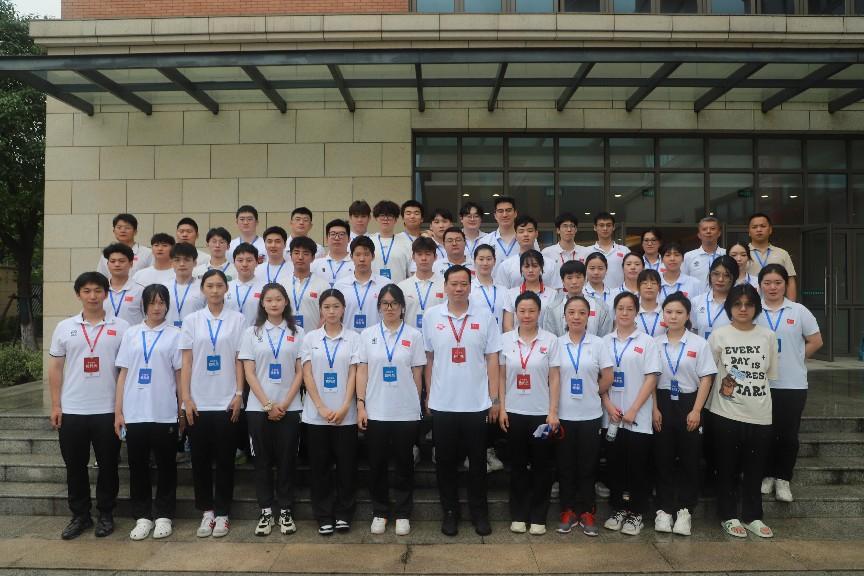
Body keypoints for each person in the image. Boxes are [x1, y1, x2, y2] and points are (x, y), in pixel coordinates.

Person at [49, 272, 129, 540]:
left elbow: (125, 370)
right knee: (75, 466)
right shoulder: (65, 327)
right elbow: (55, 368)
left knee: (108, 465)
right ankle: (80, 515)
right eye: (86, 291)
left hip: (107, 409)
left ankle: (106, 513)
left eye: (97, 290)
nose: (92, 296)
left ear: (106, 294)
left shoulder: (122, 327)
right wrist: (56, 405)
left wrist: (121, 409)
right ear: (78, 294)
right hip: (73, 409)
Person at [423, 265, 502, 537]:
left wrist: (494, 398)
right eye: (453, 284)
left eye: (463, 284)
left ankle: (479, 513)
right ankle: (450, 512)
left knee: (478, 463)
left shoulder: (484, 316)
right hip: (443, 403)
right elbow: (429, 358)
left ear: (470, 286)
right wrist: (429, 394)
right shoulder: (432, 316)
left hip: (476, 403)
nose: (458, 288)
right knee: (445, 463)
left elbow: (492, 358)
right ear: (445, 286)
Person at [179, 269, 246, 538]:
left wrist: (239, 393)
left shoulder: (238, 319)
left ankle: (223, 513)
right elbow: (186, 362)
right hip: (199, 400)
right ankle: (206, 511)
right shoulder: (192, 320)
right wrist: (186, 398)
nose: (215, 290)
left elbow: (240, 359)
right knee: (200, 460)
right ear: (203, 289)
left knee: (226, 459)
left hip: (227, 400)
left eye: (219, 285)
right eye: (210, 285)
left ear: (226, 289)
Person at [708, 284, 778, 539]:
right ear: (730, 307)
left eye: (749, 305)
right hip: (725, 411)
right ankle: (728, 515)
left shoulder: (768, 336)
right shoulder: (719, 335)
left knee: (755, 468)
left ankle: (753, 516)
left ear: (756, 308)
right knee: (726, 467)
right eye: (737, 304)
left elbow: (769, 373)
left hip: (760, 412)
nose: (743, 309)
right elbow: (709, 372)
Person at [114, 283, 182, 540]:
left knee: (166, 466)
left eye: (161, 302)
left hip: (164, 411)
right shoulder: (131, 333)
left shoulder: (176, 334)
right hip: (135, 411)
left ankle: (164, 515)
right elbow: (123, 374)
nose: (157, 307)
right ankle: (142, 517)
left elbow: (179, 376)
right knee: (137, 466)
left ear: (167, 305)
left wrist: (181, 410)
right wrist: (118, 411)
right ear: (144, 305)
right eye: (152, 302)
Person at [356, 285, 426, 536]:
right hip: (376, 410)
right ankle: (380, 511)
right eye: (385, 303)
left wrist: (416, 405)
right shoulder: (368, 335)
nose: (390, 308)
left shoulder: (414, 335)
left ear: (402, 307)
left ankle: (404, 513)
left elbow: (417, 373)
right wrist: (360, 404)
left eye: (394, 303)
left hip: (405, 411)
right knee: (377, 464)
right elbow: (362, 371)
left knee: (404, 464)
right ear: (379, 307)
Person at [238, 283, 305, 536]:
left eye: (278, 299)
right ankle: (266, 511)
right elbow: (249, 372)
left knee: (287, 460)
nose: (274, 303)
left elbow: (301, 371)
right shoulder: (252, 333)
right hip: (258, 409)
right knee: (262, 461)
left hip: (291, 407)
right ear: (262, 304)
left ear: (285, 302)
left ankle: (286, 510)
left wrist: (284, 404)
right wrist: (267, 405)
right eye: (269, 300)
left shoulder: (298, 332)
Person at [652, 292, 717, 536]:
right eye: (669, 312)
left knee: (690, 459)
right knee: (663, 458)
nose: (673, 316)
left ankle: (685, 511)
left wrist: (697, 410)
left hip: (690, 403)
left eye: (679, 312)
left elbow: (707, 378)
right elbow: (650, 378)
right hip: (662, 402)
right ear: (663, 315)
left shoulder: (698, 344)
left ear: (688, 315)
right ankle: (664, 510)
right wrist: (654, 408)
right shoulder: (655, 343)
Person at [756, 264, 822, 503]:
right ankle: (766, 475)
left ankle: (783, 478)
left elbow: (816, 341)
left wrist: (796, 357)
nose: (772, 287)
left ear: (786, 285)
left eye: (778, 283)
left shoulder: (798, 310)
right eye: (767, 283)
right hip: (761, 384)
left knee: (788, 434)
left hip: (792, 384)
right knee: (764, 433)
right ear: (760, 285)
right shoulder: (754, 311)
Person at [498, 291, 561, 535]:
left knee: (541, 465)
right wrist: (502, 408)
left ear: (539, 313)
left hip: (541, 416)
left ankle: (538, 516)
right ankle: (518, 514)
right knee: (518, 465)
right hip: (513, 413)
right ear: (515, 313)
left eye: (531, 311)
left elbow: (554, 378)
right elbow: (501, 377)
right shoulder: (505, 340)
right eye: (522, 311)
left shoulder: (550, 340)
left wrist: (552, 412)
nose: (526, 315)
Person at [301, 289, 360, 535]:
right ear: (320, 310)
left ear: (343, 309)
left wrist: (345, 406)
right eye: (327, 307)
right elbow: (307, 374)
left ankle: (344, 514)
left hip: (346, 415)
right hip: (316, 416)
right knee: (320, 468)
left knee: (346, 468)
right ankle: (324, 515)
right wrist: (321, 407)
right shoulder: (310, 338)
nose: (332, 311)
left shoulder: (354, 338)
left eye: (336, 306)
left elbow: (354, 373)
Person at [601, 292, 661, 537]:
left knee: (638, 466)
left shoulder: (647, 342)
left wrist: (635, 408)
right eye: (620, 308)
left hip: (639, 415)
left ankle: (637, 513)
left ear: (636, 312)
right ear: (614, 311)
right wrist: (607, 404)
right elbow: (599, 378)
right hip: (612, 415)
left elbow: (652, 377)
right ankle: (617, 509)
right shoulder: (605, 341)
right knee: (615, 465)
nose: (624, 313)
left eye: (629, 309)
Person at [555, 295, 613, 537]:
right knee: (566, 465)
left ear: (589, 316)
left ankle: (587, 511)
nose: (576, 317)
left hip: (590, 414)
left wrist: (591, 391)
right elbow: (552, 378)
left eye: (581, 313)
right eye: (571, 312)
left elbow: (608, 377)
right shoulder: (556, 344)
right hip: (563, 414)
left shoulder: (598, 344)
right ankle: (567, 510)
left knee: (588, 465)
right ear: (565, 316)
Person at [334, 236, 393, 332]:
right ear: (351, 257)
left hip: (377, 338)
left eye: (366, 254)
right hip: (348, 339)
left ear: (373, 256)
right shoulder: (340, 286)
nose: (362, 259)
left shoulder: (386, 285)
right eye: (357, 254)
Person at [542, 260, 613, 338]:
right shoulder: (552, 309)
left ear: (585, 279)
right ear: (563, 281)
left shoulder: (600, 306)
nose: (574, 282)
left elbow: (605, 337)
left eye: (578, 277)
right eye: (569, 278)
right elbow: (550, 338)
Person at [494, 215, 556, 289]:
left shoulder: (551, 264)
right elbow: (501, 293)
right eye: (521, 231)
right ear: (516, 236)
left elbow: (556, 292)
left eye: (530, 231)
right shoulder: (506, 266)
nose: (526, 234)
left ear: (536, 234)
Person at [502, 250, 556, 332]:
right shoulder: (511, 294)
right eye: (526, 266)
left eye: (535, 266)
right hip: (517, 339)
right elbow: (507, 326)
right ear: (521, 269)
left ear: (541, 267)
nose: (530, 270)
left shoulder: (553, 294)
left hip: (546, 339)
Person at [399, 236, 446, 330]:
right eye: (419, 254)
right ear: (413, 257)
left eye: (428, 254)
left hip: (437, 334)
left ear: (435, 257)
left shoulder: (445, 285)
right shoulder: (402, 286)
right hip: (410, 336)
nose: (424, 258)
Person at [748, 213, 797, 300]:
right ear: (749, 231)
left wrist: (791, 305)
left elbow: (790, 280)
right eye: (754, 227)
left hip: (776, 303)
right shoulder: (742, 253)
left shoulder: (782, 253)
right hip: (748, 302)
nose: (759, 229)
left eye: (763, 226)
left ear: (770, 230)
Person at [287, 236, 330, 331]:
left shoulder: (323, 285)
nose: (300, 257)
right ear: (291, 255)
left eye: (305, 253)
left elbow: (326, 315)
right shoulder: (281, 284)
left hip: (313, 337)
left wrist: (316, 335)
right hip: (287, 337)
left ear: (313, 258)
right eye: (296, 253)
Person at [691, 256, 738, 340]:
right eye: (716, 274)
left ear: (734, 277)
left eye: (726, 275)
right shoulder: (696, 301)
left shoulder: (739, 303)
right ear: (710, 275)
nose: (720, 279)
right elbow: (693, 331)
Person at [96, 213, 153, 277]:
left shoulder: (147, 253)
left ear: (135, 231)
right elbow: (100, 277)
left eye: (127, 228)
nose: (122, 231)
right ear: (114, 231)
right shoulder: (107, 254)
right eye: (119, 227)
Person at [102, 243, 144, 327]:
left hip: (132, 335)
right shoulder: (100, 290)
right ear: (107, 264)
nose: (117, 264)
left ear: (131, 264)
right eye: (112, 261)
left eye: (121, 261)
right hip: (104, 335)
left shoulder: (141, 290)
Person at [371, 200, 412, 283]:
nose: (386, 219)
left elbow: (411, 273)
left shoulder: (406, 243)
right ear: (376, 218)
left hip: (399, 288)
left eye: (390, 216)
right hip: (373, 288)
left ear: (396, 219)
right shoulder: (369, 241)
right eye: (382, 215)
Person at [166, 243, 205, 328]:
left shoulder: (203, 288)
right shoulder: (164, 287)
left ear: (195, 263)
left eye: (187, 260)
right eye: (177, 260)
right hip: (169, 333)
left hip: (196, 333)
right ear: (171, 263)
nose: (182, 264)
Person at [225, 243, 265, 327]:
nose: (244, 264)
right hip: (230, 333)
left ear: (257, 262)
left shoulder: (265, 288)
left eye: (249, 260)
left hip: (256, 333)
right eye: (240, 260)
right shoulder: (226, 287)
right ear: (234, 262)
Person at [541, 212, 583, 290]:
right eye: (565, 226)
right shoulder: (546, 253)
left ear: (576, 230)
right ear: (558, 230)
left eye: (572, 226)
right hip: (555, 295)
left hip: (580, 295)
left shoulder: (585, 252)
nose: (569, 230)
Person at [469, 244, 507, 328]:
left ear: (494, 261)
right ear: (474, 261)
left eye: (489, 259)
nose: (485, 263)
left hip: (499, 335)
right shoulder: (468, 289)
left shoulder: (503, 291)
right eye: (481, 259)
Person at [588, 213, 630, 289]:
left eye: (608, 225)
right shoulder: (587, 251)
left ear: (613, 227)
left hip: (619, 295)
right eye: (601, 225)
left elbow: (630, 275)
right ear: (595, 227)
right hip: (594, 295)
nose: (605, 228)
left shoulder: (624, 251)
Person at [683, 216, 726, 289]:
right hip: (696, 296)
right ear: (699, 235)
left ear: (719, 233)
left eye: (712, 228)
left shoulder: (726, 254)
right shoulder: (689, 256)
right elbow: (684, 281)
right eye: (704, 229)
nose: (708, 231)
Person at [312, 219, 354, 288]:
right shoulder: (315, 265)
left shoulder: (356, 264)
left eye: (341, 234)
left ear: (349, 239)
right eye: (333, 234)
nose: (337, 238)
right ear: (326, 239)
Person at [635, 269, 666, 338]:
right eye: (644, 283)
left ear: (659, 288)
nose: (649, 287)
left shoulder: (666, 311)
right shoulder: (632, 311)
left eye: (653, 283)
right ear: (638, 287)